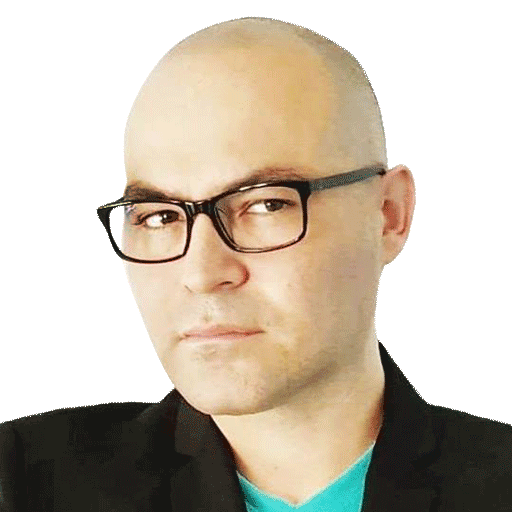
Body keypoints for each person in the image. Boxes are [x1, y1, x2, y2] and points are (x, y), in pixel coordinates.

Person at [0, 17, 510, 512]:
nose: (202, 274)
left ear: (388, 214)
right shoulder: (23, 483)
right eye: (159, 216)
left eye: (266, 204)